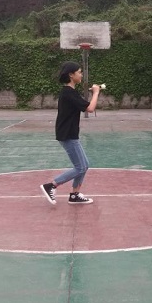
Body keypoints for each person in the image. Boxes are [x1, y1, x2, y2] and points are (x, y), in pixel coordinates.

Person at [40, 61, 101, 205]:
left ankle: (74, 195)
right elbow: (90, 108)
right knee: (81, 167)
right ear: (71, 75)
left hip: (70, 133)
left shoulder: (70, 92)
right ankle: (51, 185)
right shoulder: (68, 93)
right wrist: (96, 92)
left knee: (84, 165)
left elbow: (84, 106)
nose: (81, 75)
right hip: (67, 134)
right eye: (79, 72)